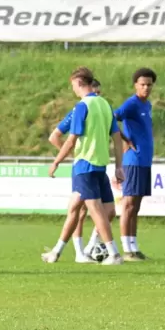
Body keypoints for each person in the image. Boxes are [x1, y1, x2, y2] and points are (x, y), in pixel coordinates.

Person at [41, 67, 124, 265]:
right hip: (100, 166)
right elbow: (117, 138)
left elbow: (70, 140)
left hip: (84, 166)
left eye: (73, 86)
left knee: (96, 211)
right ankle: (56, 252)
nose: (73, 90)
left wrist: (56, 162)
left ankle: (114, 255)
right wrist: (119, 166)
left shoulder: (81, 107)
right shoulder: (105, 104)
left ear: (79, 83)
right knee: (76, 209)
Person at [115, 68, 156, 261]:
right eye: (142, 84)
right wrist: (125, 139)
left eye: (149, 84)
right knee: (129, 204)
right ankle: (126, 248)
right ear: (135, 85)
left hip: (144, 161)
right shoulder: (131, 104)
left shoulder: (146, 105)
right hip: (133, 161)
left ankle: (134, 246)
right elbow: (112, 119)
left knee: (137, 206)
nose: (146, 87)